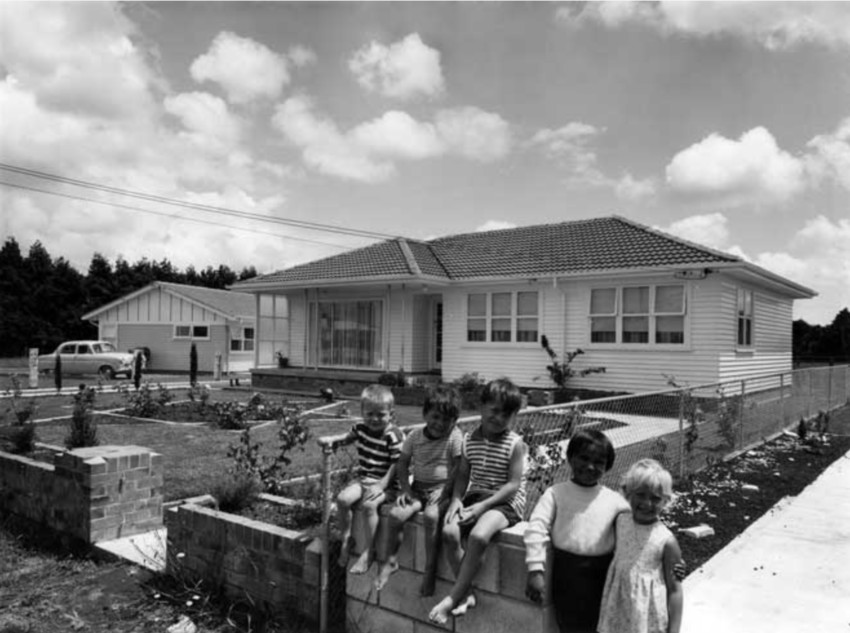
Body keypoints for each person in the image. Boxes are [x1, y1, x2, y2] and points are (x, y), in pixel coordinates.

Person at [429, 378, 527, 625]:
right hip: (476, 496)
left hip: (506, 502)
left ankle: (453, 598)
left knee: (479, 536)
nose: (498, 418)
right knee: (450, 532)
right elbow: (462, 475)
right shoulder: (470, 440)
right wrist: (456, 501)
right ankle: (467, 594)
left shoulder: (514, 444)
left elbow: (513, 485)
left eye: (506, 414)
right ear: (481, 407)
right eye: (494, 410)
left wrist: (484, 506)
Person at [523, 429, 629, 633]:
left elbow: (639, 528)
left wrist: (667, 556)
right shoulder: (556, 494)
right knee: (571, 626)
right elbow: (536, 528)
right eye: (584, 458)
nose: (590, 466)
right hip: (568, 574)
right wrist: (535, 569)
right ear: (570, 458)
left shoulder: (615, 501)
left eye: (599, 461)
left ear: (607, 465)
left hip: (604, 574)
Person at [375, 384, 464, 595]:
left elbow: (459, 468)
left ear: (454, 421)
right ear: (425, 414)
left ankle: (429, 570)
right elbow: (402, 464)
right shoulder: (415, 436)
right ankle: (390, 560)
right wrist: (405, 490)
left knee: (432, 516)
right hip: (418, 489)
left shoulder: (454, 436)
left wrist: (445, 490)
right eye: (435, 416)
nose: (439, 423)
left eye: (446, 419)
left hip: (442, 492)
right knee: (396, 514)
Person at [597, 458, 684, 633]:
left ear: (665, 501)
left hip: (647, 616)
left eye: (655, 498)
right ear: (629, 493)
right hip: (617, 607)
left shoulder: (666, 541)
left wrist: (674, 630)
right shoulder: (619, 521)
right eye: (641, 494)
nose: (646, 503)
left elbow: (675, 590)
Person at [334, 384, 404, 575]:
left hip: (387, 485)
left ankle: (369, 551)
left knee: (369, 506)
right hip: (365, 479)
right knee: (342, 499)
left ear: (391, 414)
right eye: (370, 413)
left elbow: (398, 465)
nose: (374, 419)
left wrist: (382, 485)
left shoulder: (393, 435)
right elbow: (348, 437)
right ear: (362, 412)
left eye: (380, 414)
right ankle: (347, 538)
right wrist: (334, 442)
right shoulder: (360, 428)